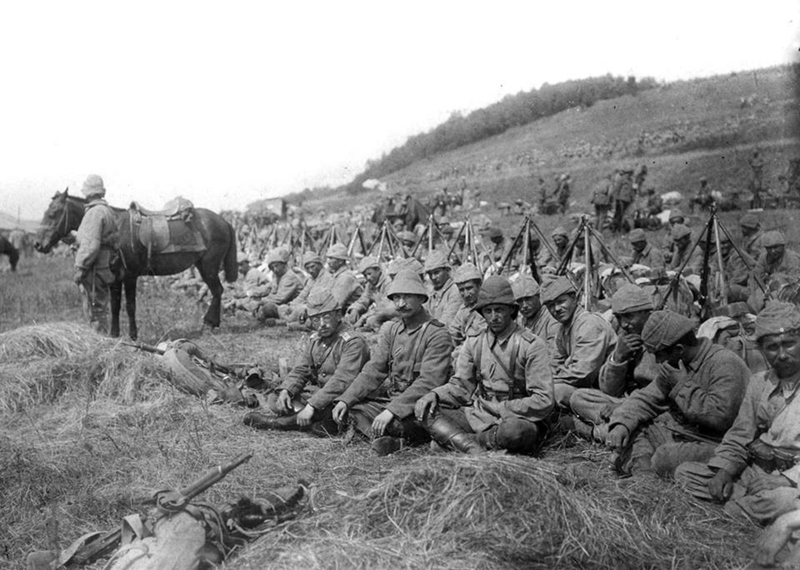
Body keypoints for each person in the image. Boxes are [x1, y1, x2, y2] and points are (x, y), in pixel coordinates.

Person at [674, 302, 800, 526]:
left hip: (792, 481)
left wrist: (784, 480)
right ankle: (749, 507)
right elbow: (740, 434)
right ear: (761, 349)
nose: (781, 355)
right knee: (686, 473)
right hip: (756, 473)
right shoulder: (759, 383)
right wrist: (724, 470)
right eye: (772, 347)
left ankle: (734, 511)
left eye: (789, 344)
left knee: (785, 500)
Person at [414, 276, 554, 455]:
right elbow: (461, 386)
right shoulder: (474, 342)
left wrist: (503, 409)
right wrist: (434, 394)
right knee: (425, 410)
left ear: (511, 310)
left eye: (499, 310)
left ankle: (461, 442)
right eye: (488, 311)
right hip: (479, 415)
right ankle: (473, 447)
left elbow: (544, 399)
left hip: (515, 417)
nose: (494, 317)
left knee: (516, 432)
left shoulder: (531, 345)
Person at [605, 310, 750, 478]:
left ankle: (644, 470)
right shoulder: (677, 364)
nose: (658, 362)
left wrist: (681, 385)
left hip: (722, 444)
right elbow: (646, 398)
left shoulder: (725, 363)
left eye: (659, 355)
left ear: (679, 349)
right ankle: (643, 473)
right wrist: (621, 423)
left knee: (665, 457)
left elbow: (719, 419)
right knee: (636, 426)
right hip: (688, 435)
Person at [332, 270, 453, 456]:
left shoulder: (437, 333)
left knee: (397, 423)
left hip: (420, 405)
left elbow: (430, 381)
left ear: (421, 298)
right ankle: (389, 439)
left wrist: (392, 411)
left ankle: (399, 441)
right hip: (392, 400)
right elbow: (373, 370)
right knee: (352, 412)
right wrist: (346, 399)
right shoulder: (392, 330)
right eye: (396, 298)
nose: (401, 304)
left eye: (407, 297)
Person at [244, 290, 370, 435]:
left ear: (338, 315)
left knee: (336, 409)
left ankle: (279, 423)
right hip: (322, 393)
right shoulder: (316, 339)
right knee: (276, 398)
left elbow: (342, 380)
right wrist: (287, 390)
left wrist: (312, 405)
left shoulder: (353, 342)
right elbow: (301, 369)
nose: (321, 324)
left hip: (345, 397)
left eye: (326, 317)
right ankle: (316, 423)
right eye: (316, 319)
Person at [567, 284, 658, 442]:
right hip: (626, 403)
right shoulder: (627, 336)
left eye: (629, 316)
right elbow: (609, 390)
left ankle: (597, 432)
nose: (623, 324)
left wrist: (624, 405)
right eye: (618, 317)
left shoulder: (663, 339)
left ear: (647, 313)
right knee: (578, 397)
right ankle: (620, 428)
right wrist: (618, 358)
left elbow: (663, 390)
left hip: (653, 407)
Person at [540, 276, 616, 407]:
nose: (556, 309)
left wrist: (548, 382)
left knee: (556, 391)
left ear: (575, 298)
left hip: (611, 390)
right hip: (591, 387)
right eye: (551, 306)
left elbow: (583, 373)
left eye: (561, 302)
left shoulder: (589, 324)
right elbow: (554, 362)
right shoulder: (563, 329)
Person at [72, 174, 119, 335]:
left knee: (94, 312)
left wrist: (80, 267)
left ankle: (98, 348)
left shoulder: (94, 213)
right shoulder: (107, 211)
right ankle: (101, 345)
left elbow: (91, 246)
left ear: (88, 193)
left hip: (93, 269)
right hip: (104, 267)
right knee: (100, 308)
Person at [278, 251, 332, 324]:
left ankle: (284, 322)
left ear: (320, 264)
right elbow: (302, 296)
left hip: (318, 308)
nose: (310, 270)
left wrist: (301, 306)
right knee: (283, 308)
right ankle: (288, 320)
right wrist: (291, 305)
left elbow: (321, 300)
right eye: (307, 268)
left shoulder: (328, 278)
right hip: (305, 306)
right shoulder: (311, 279)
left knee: (301, 310)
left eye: (313, 266)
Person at [513, 276, 558, 356]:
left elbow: (553, 353)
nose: (524, 305)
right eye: (520, 301)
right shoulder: (520, 321)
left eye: (528, 299)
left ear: (538, 296)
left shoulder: (552, 318)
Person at [255, 250, 304, 323]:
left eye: (277, 266)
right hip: (286, 304)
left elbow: (280, 298)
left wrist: (263, 301)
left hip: (295, 305)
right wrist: (252, 293)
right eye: (272, 268)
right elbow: (267, 288)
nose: (275, 269)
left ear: (283, 264)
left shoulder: (290, 277)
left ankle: (282, 321)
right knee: (266, 307)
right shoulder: (278, 276)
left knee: (270, 307)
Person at [448, 262, 486, 349]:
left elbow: (482, 340)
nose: (466, 294)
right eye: (461, 290)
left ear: (479, 285)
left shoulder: (488, 308)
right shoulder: (464, 309)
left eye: (469, 288)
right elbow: (453, 333)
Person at [345, 256, 388, 325]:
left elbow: (385, 306)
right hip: (376, 312)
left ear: (378, 270)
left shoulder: (387, 283)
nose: (368, 278)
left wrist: (364, 317)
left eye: (369, 274)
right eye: (365, 275)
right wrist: (354, 309)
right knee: (349, 317)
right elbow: (363, 300)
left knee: (371, 321)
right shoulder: (370, 285)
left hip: (388, 314)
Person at [424, 250, 462, 328]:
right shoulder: (432, 292)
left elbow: (446, 322)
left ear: (447, 270)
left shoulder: (454, 291)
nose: (433, 277)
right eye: (430, 274)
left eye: (436, 272)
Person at [326, 243, 363, 313]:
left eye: (331, 258)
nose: (328, 262)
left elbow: (335, 304)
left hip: (350, 314)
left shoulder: (345, 277)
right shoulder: (336, 275)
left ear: (340, 261)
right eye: (328, 258)